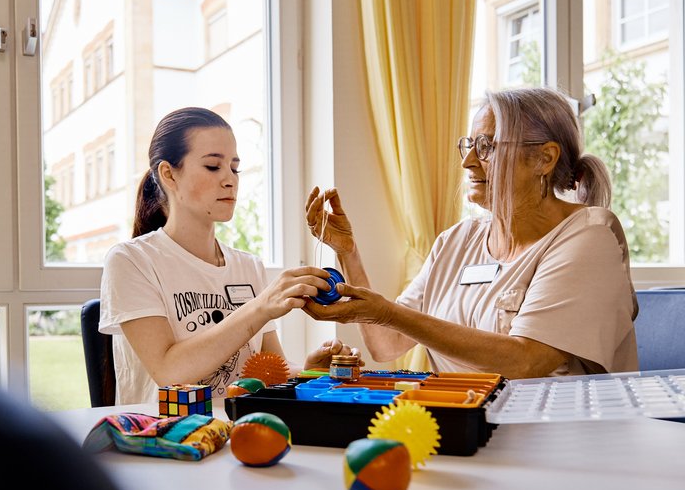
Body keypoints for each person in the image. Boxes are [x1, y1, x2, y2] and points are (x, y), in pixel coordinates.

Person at [303, 87, 638, 379]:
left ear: (544, 159)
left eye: (488, 146)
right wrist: (348, 252)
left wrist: (388, 312)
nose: (468, 162)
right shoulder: (456, 241)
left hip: (556, 437)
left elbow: (525, 361)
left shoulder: (589, 237)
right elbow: (386, 343)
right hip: (466, 427)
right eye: (469, 145)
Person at [100, 107, 359, 404]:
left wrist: (311, 372)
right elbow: (169, 372)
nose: (230, 180)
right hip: (170, 440)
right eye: (213, 167)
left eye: (234, 168)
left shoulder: (249, 266)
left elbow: (269, 375)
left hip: (240, 435)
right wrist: (262, 306)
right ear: (169, 174)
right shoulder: (131, 261)